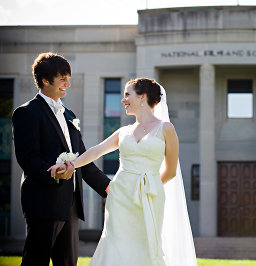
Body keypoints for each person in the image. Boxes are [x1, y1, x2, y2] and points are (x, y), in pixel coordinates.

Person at [49, 78, 197, 266]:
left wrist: (148, 188)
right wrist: (71, 165)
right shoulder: (124, 131)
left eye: (127, 94)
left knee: (146, 245)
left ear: (142, 97)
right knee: (116, 244)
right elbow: (96, 150)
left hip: (150, 197)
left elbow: (171, 171)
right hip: (119, 196)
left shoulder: (166, 129)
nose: (123, 99)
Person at [12, 52, 111, 266]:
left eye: (68, 77)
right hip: (43, 201)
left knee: (67, 263)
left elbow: (83, 160)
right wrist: (52, 172)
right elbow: (27, 158)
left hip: (71, 204)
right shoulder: (26, 113)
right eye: (62, 78)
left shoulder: (69, 114)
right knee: (35, 261)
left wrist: (109, 188)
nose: (68, 83)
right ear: (45, 80)